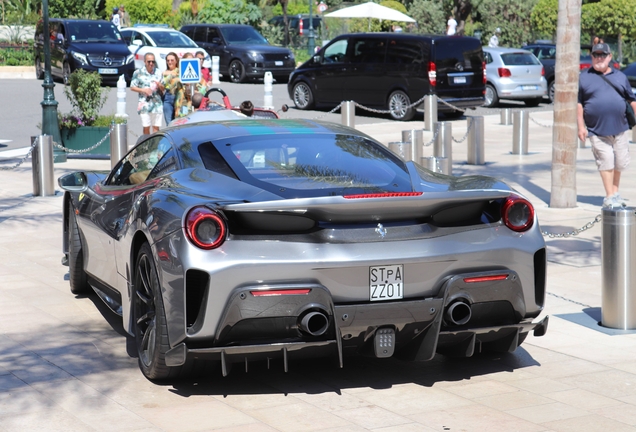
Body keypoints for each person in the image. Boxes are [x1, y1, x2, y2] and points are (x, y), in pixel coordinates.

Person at [578, 42, 636, 208]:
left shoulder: (620, 77)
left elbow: (632, 99)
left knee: (620, 162)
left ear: (610, 57)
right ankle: (609, 195)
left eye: (603, 55)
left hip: (620, 128)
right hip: (597, 130)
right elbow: (579, 103)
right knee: (606, 159)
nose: (599, 58)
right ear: (592, 57)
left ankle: (615, 192)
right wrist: (581, 126)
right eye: (596, 55)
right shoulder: (584, 77)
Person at [130, 53, 164, 135]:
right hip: (144, 104)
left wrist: (160, 85)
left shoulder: (159, 72)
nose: (151, 64)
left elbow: (163, 89)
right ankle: (147, 146)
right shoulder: (138, 72)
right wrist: (143, 90)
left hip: (157, 104)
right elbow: (132, 87)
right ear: (144, 61)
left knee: (156, 127)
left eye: (153, 61)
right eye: (149, 61)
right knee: (146, 127)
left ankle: (155, 146)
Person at [161, 52, 180, 125]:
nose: (170, 62)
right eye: (168, 60)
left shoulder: (180, 71)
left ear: (176, 61)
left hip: (179, 96)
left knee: (178, 121)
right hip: (167, 97)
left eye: (172, 60)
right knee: (169, 122)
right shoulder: (163, 73)